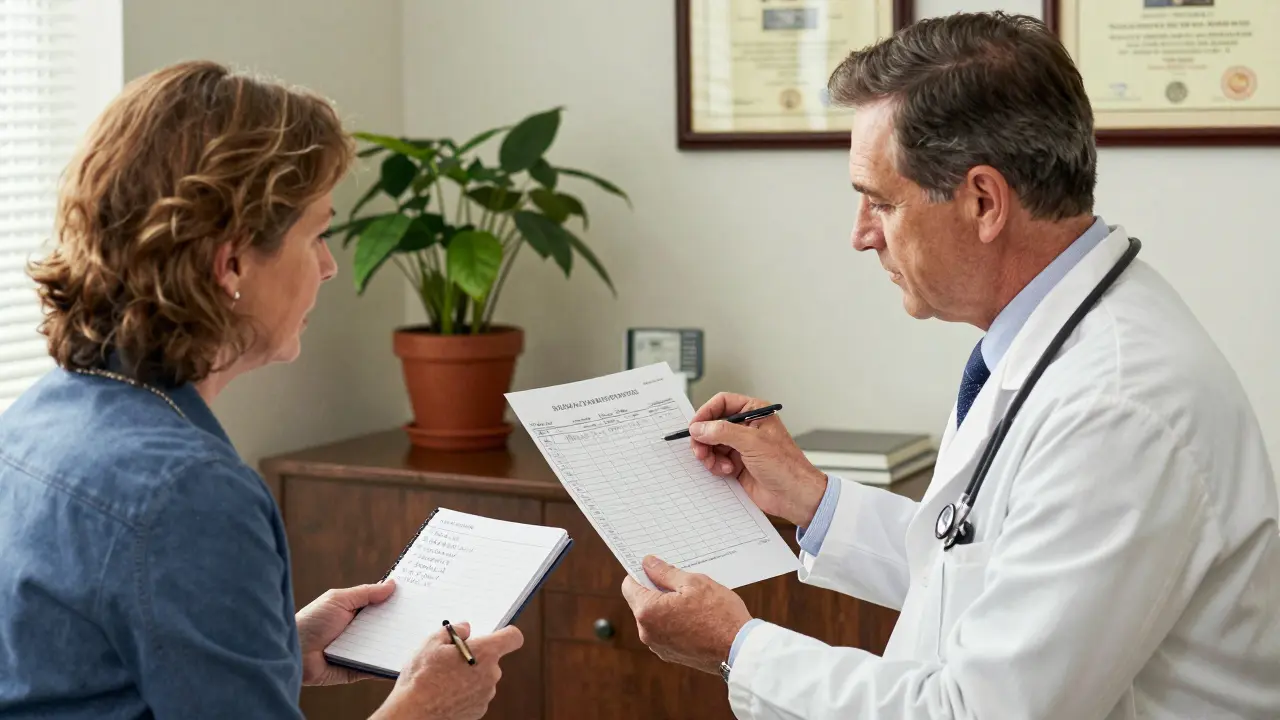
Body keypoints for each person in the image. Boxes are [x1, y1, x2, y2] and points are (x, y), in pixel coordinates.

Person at [620, 12, 1280, 720]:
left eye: (880, 202)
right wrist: (812, 500)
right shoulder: (1055, 338)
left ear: (984, 201)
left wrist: (736, 647)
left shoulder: (1116, 408)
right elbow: (982, 571)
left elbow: (978, 712)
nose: (860, 235)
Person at [0, 60, 522, 719]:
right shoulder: (190, 492)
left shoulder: (38, 414)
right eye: (318, 234)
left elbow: (88, 674)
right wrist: (425, 707)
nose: (330, 267)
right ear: (233, 263)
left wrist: (277, 645)